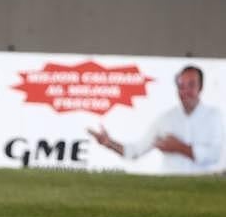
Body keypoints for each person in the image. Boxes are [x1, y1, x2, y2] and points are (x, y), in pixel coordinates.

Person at [89, 65, 223, 174]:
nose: (185, 91)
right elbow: (135, 151)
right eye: (181, 86)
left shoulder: (214, 116)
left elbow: (215, 155)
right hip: (170, 187)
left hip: (204, 189)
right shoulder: (166, 119)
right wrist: (109, 143)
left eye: (191, 85)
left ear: (201, 87)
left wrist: (178, 147)